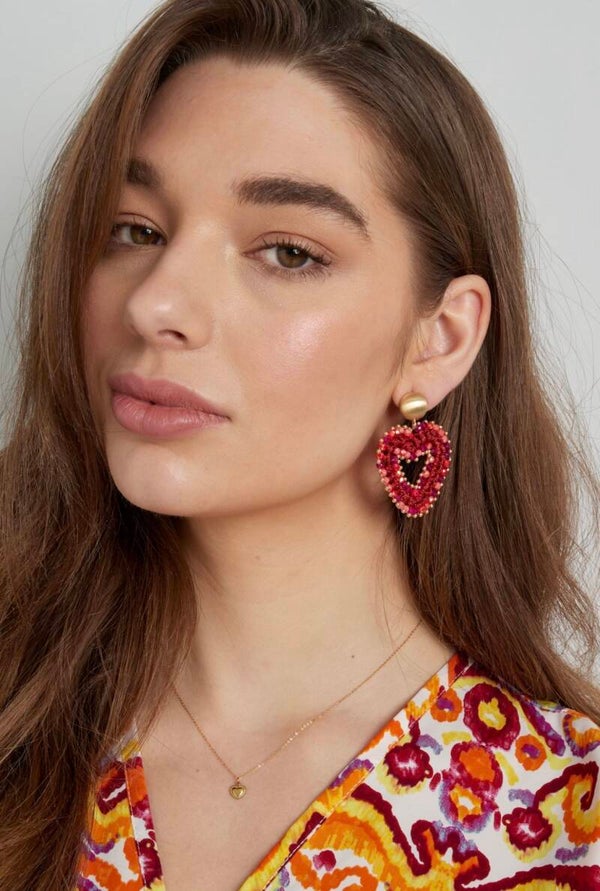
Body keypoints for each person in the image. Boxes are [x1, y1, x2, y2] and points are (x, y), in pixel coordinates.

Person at [1, 0, 599, 888]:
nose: (155, 303)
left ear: (438, 340)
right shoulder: (19, 733)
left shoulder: (568, 817)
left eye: (286, 253)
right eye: (136, 230)